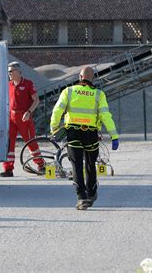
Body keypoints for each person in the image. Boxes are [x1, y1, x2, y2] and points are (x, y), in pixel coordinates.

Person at [50, 67, 119, 210]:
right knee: (90, 164)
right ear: (92, 79)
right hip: (91, 133)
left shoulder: (68, 91)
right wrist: (114, 136)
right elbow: (106, 116)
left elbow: (57, 111)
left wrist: (54, 129)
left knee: (76, 165)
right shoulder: (99, 95)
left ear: (80, 77)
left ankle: (81, 197)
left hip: (73, 132)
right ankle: (92, 193)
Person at [1, 62, 45, 177]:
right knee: (9, 143)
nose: (9, 73)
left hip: (24, 116)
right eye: (8, 71)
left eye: (11, 71)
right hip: (11, 117)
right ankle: (8, 168)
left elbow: (36, 100)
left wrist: (29, 112)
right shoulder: (8, 84)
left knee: (30, 141)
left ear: (18, 72)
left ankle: (41, 164)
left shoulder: (28, 84)